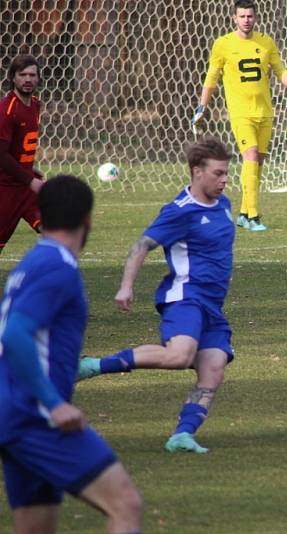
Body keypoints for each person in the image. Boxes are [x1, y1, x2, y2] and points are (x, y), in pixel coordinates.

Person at [0, 175, 142, 533]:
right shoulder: (57, 267)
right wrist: (53, 402)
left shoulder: (31, 263)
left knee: (36, 526)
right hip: (35, 414)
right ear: (88, 219)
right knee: (125, 503)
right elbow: (16, 333)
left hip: (13, 412)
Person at [78, 138, 236, 454]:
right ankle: (92, 365)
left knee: (213, 368)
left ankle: (182, 435)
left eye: (226, 173)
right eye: (218, 174)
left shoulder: (224, 204)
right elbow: (141, 246)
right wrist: (126, 286)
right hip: (185, 297)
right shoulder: (179, 211)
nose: (224, 180)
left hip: (213, 306)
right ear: (197, 172)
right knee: (179, 356)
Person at [192, 0, 287, 232]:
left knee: (257, 163)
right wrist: (202, 106)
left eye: (250, 16)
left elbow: (279, 70)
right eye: (242, 16)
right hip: (241, 113)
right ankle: (254, 216)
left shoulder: (265, 42)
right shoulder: (223, 44)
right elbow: (212, 77)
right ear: (234, 18)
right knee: (251, 156)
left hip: (265, 112)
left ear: (255, 17)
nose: (246, 20)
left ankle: (244, 213)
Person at [0, 54, 46, 255]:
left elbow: (18, 147)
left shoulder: (35, 104)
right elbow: (1, 156)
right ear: (12, 77)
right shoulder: (6, 111)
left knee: (54, 229)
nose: (28, 79)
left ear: (38, 78)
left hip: (25, 187)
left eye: (32, 75)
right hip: (6, 189)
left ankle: (53, 281)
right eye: (22, 75)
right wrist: (31, 180)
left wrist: (29, 167)